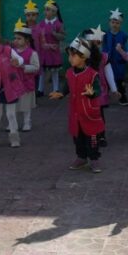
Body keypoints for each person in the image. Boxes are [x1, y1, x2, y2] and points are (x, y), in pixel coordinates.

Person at [50, 36, 106, 173]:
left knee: (92, 139)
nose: (70, 59)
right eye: (69, 56)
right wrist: (61, 94)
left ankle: (94, 159)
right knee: (78, 138)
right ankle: (81, 157)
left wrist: (92, 92)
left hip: (89, 113)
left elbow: (98, 90)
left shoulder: (92, 74)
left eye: (73, 56)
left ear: (84, 57)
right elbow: (67, 87)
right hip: (75, 112)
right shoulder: (69, 73)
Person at [85, 26, 119, 147]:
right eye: (91, 42)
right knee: (86, 114)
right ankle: (90, 136)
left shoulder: (104, 57)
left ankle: (101, 136)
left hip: (99, 90)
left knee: (99, 114)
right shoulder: (82, 57)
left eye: (97, 42)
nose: (94, 45)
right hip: (85, 90)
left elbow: (109, 73)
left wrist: (114, 89)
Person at [12, 19, 40, 133]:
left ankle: (27, 122)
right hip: (14, 82)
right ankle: (12, 123)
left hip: (26, 82)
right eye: (15, 38)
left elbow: (36, 67)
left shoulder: (32, 53)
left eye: (19, 38)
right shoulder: (12, 52)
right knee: (13, 104)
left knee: (25, 104)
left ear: (27, 40)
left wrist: (24, 67)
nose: (16, 41)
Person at [36, 0, 65, 94]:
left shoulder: (58, 24)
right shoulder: (41, 24)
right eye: (45, 9)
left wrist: (55, 34)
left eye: (48, 9)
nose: (45, 12)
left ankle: (55, 89)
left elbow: (62, 37)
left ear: (54, 12)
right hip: (44, 52)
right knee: (42, 72)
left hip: (53, 52)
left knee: (54, 71)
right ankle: (40, 89)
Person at [103, 8, 128, 106]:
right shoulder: (105, 35)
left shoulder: (124, 36)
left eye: (117, 23)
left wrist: (127, 58)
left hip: (119, 61)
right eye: (113, 22)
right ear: (109, 22)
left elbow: (127, 48)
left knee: (120, 80)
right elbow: (102, 46)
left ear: (121, 24)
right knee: (106, 79)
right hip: (108, 61)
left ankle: (122, 96)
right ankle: (104, 97)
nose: (114, 24)